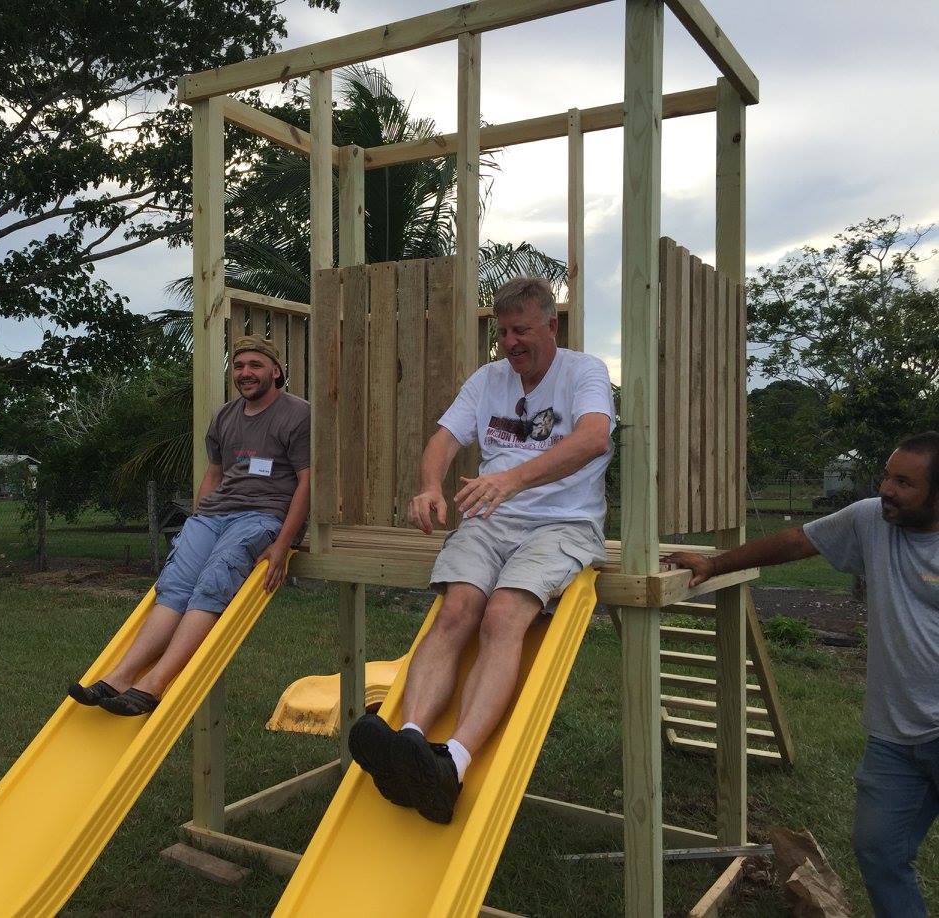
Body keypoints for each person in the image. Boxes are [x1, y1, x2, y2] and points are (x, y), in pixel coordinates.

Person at [348, 276, 615, 823]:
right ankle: (412, 742)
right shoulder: (488, 378)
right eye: (503, 333)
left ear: (551, 325)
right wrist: (428, 486)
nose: (510, 343)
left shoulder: (583, 372)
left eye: (522, 330)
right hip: (490, 521)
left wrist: (511, 480)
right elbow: (444, 439)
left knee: (501, 615)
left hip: (562, 525)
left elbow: (593, 439)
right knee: (457, 610)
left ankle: (454, 762)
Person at [665, 432, 939, 918]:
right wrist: (715, 562)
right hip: (893, 735)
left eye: (904, 482)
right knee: (880, 853)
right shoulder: (871, 520)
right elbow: (797, 541)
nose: (886, 489)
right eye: (886, 475)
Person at [68, 335, 311, 716]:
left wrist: (283, 544)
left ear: (276, 371)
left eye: (255, 365)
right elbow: (214, 473)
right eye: (239, 365)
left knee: (213, 582)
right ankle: (121, 676)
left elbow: (308, 481)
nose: (245, 373)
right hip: (214, 515)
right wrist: (200, 519)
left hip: (262, 516)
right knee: (176, 584)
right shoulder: (225, 417)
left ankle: (154, 684)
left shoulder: (298, 414)